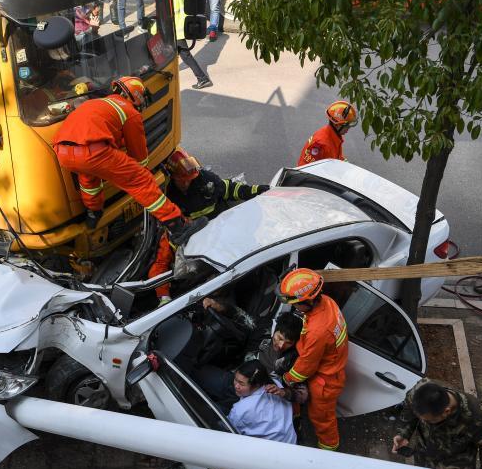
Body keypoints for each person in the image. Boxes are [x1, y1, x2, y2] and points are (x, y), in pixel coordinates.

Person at [52, 76, 207, 245]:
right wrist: (141, 174)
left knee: (89, 180)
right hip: (94, 151)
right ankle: (177, 226)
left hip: (63, 152)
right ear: (137, 96)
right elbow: (139, 156)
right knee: (141, 181)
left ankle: (93, 213)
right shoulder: (129, 111)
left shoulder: (98, 104)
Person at [149, 148, 269, 303]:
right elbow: (166, 221)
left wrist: (256, 190)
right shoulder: (167, 193)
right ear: (173, 178)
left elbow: (229, 189)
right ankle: (164, 298)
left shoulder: (206, 180)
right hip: (189, 235)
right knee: (161, 260)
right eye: (183, 179)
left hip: (220, 230)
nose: (187, 182)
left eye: (190, 179)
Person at [277, 268, 348, 451]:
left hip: (325, 381)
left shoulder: (318, 330)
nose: (294, 308)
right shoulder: (327, 302)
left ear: (308, 301)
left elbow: (306, 367)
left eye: (296, 303)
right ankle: (297, 415)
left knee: (322, 419)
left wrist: (287, 378)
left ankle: (328, 451)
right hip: (328, 367)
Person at [227, 360, 297, 469]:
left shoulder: (240, 411)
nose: (236, 385)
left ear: (257, 385)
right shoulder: (276, 385)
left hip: (267, 460)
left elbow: (229, 431)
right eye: (235, 380)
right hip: (290, 444)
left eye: (241, 384)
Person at [297, 101, 359, 166]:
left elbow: (337, 157)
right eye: (347, 126)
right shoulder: (321, 144)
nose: (348, 128)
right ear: (337, 125)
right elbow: (309, 171)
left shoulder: (335, 136)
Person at [173, 0, 212, 89]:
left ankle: (203, 78)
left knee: (185, 55)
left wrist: (152, 28)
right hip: (181, 25)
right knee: (175, 54)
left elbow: (170, 13)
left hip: (176, 28)